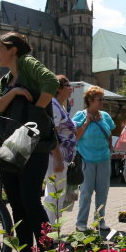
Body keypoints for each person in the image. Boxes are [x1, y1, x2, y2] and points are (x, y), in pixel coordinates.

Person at [0, 32, 59, 252]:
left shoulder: (27, 63)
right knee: (17, 205)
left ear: (13, 50)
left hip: (35, 146)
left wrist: (37, 111)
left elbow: (51, 82)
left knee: (30, 201)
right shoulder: (4, 80)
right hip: (12, 147)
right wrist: (15, 92)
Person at [72, 86, 115, 231]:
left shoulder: (105, 116)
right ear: (90, 100)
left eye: (103, 99)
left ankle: (100, 221)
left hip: (103, 159)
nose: (102, 102)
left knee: (103, 192)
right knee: (86, 192)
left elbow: (109, 133)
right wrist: (86, 123)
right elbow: (75, 137)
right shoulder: (80, 115)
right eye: (99, 99)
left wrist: (110, 147)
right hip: (86, 160)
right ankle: (81, 223)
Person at [43, 75, 76, 224]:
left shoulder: (60, 105)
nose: (71, 88)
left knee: (54, 194)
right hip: (56, 157)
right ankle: (51, 234)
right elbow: (52, 133)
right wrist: (57, 159)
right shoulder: (54, 105)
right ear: (59, 89)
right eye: (67, 85)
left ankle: (51, 231)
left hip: (61, 157)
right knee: (55, 195)